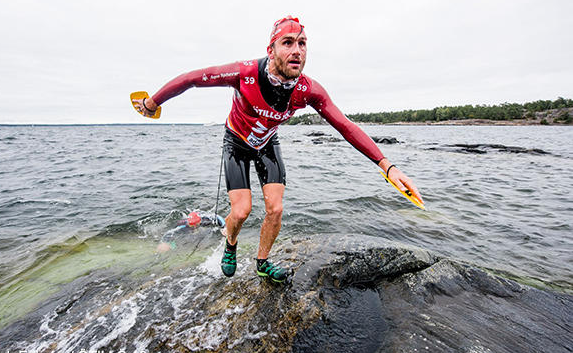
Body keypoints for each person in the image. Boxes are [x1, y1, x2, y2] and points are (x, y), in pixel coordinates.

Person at [134, 16, 423, 283]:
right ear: (271, 50)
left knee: (275, 208)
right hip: (236, 142)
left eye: (302, 44)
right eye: (288, 43)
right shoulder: (244, 73)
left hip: (267, 144)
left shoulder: (308, 90)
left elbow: (344, 125)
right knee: (241, 211)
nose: (297, 51)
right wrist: (152, 102)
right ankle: (231, 244)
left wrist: (387, 167)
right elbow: (192, 79)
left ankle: (262, 262)